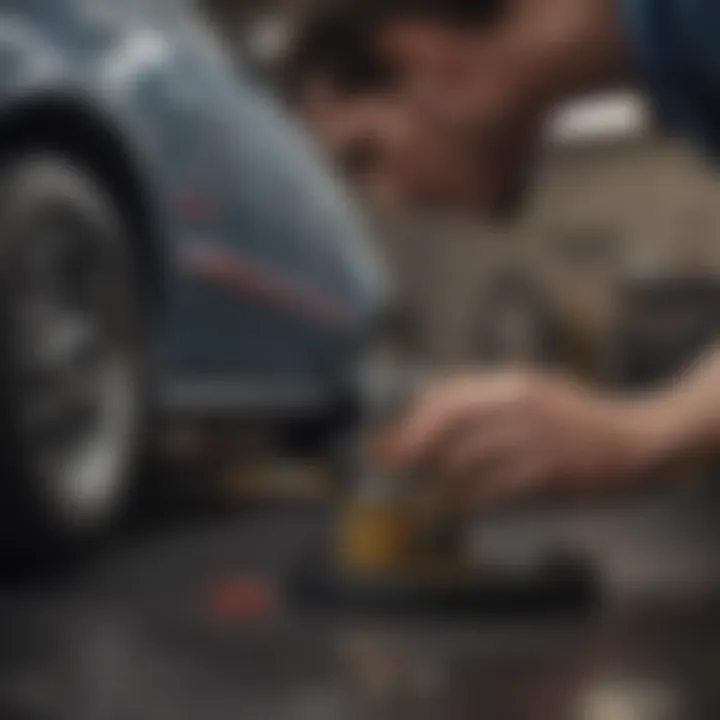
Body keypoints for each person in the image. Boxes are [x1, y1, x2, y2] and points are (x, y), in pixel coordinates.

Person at [286, 0, 720, 507]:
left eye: (368, 155)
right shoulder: (685, 70)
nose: (393, 200)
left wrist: (643, 433)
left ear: (426, 62)